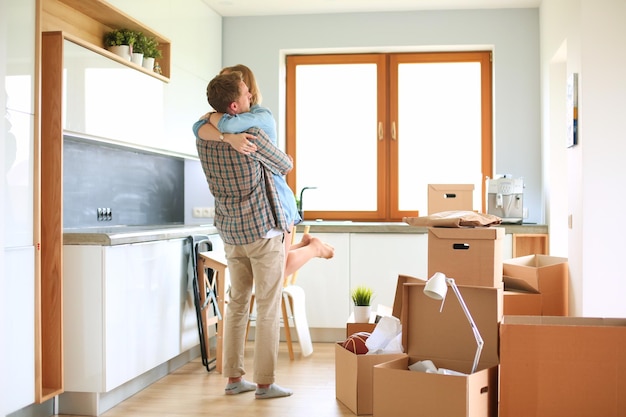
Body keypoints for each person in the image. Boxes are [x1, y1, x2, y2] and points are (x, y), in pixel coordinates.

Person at [193, 71, 293, 399]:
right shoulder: (253, 133)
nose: (251, 96)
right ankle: (265, 383)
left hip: (232, 233)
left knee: (236, 304)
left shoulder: (205, 137)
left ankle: (233, 379)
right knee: (267, 306)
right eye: (246, 93)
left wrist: (219, 128)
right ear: (235, 105)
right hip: (263, 231)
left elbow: (200, 125)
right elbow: (285, 163)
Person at [196, 64, 334, 277]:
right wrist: (224, 135)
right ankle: (309, 244)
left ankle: (314, 247)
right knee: (272, 263)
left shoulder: (260, 116)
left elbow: (222, 125)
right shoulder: (229, 119)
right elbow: (198, 128)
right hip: (262, 203)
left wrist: (214, 121)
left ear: (244, 88)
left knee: (280, 268)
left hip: (277, 200)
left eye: (229, 83)